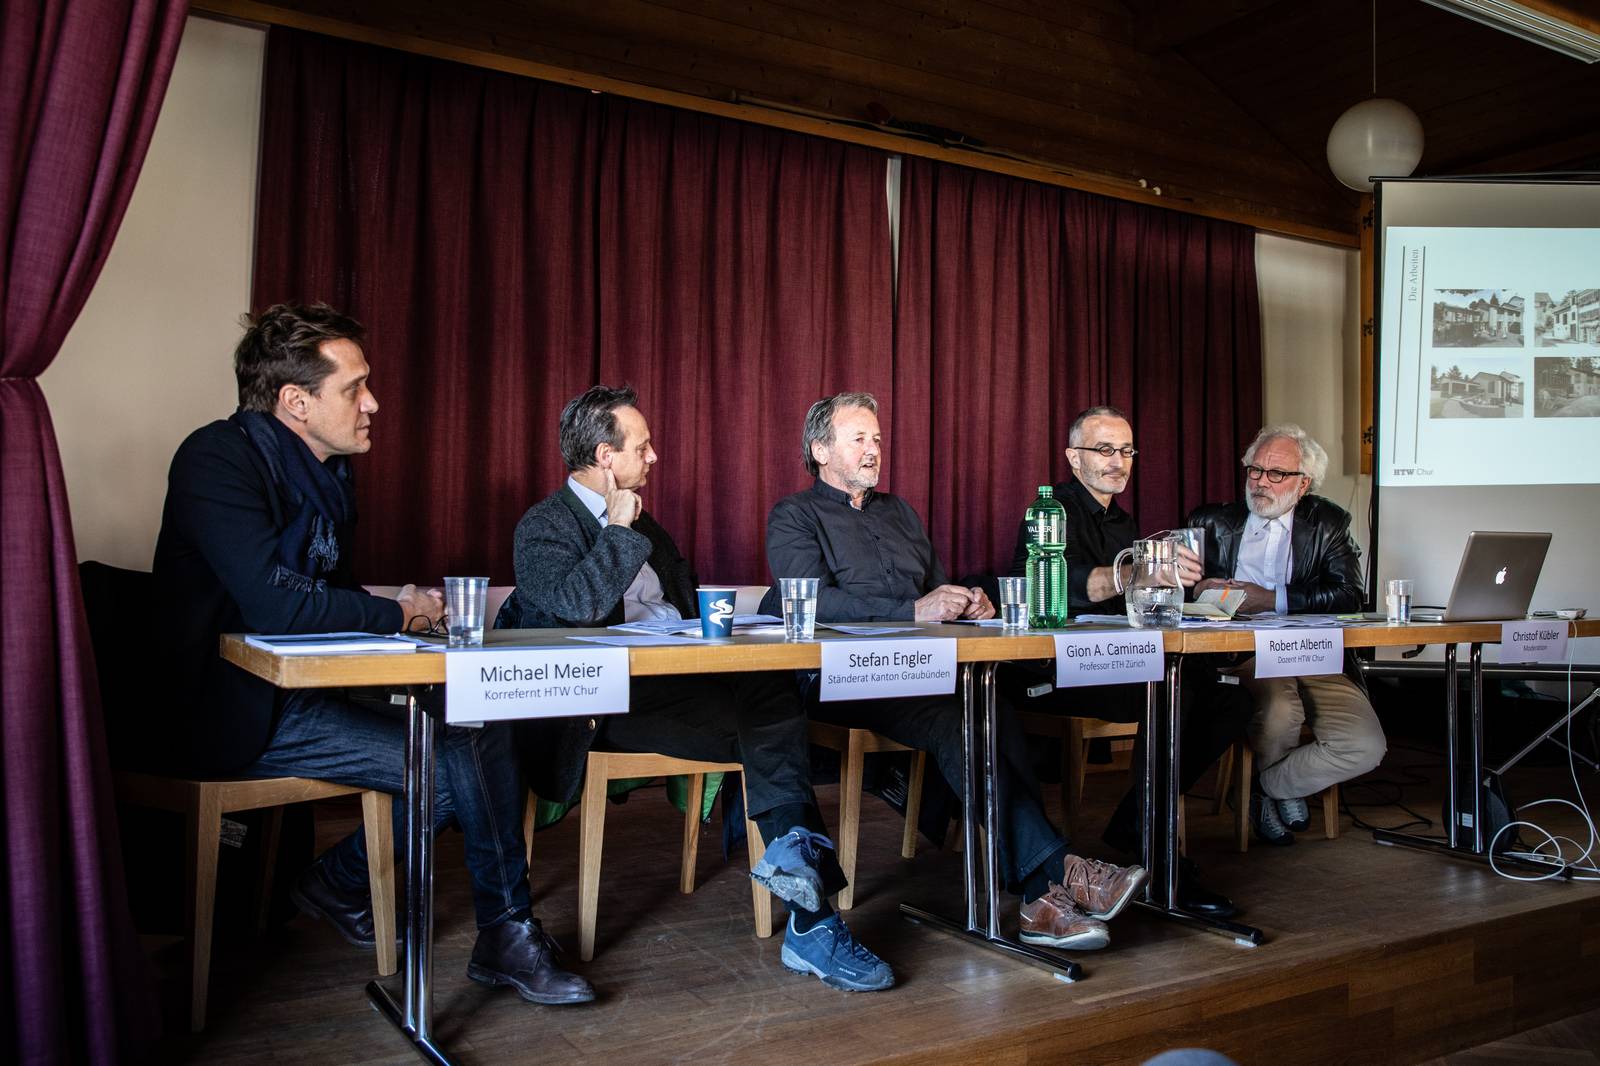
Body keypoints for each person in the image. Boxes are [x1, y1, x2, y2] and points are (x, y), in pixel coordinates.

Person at [152, 303, 593, 1005]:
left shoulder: (327, 474)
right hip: (232, 706)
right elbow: (279, 603)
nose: (374, 403)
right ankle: (376, 892)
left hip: (304, 691)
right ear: (295, 401)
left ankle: (486, 927)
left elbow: (319, 591)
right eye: (355, 387)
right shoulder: (217, 457)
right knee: (451, 772)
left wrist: (404, 622)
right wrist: (395, 612)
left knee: (481, 720)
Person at [497, 385, 893, 992]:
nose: (654, 457)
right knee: (770, 723)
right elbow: (577, 608)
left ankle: (797, 876)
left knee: (772, 691)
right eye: (643, 445)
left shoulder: (646, 523)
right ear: (605, 455)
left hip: (683, 681)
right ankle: (814, 923)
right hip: (604, 704)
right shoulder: (545, 526)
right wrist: (619, 534)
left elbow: (682, 607)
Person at [761, 392, 1148, 952]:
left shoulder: (899, 511)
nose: (874, 451)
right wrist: (913, 612)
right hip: (845, 677)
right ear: (821, 450)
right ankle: (1055, 876)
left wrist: (966, 600)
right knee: (957, 716)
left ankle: (1044, 897)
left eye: (876, 439)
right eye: (858, 439)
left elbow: (931, 589)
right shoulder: (794, 514)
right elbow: (807, 599)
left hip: (923, 668)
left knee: (989, 704)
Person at [1002, 405, 1252, 917]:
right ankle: (1156, 848)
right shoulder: (1048, 512)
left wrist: (1186, 592)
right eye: (1104, 449)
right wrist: (1132, 571)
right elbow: (1060, 586)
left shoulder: (1123, 520)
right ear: (1074, 457)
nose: (1118, 461)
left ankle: (1139, 821)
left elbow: (1130, 602)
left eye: (1126, 450)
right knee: (1177, 691)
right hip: (1058, 669)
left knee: (1228, 694)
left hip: (1121, 659)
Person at [1187, 424, 1385, 845]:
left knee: (1365, 745)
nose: (1261, 482)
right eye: (1255, 470)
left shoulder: (1327, 522)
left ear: (1303, 483)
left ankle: (1268, 787)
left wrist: (1271, 598)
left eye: (1277, 474)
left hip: (1313, 653)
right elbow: (1174, 589)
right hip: (1244, 652)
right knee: (1281, 713)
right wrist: (1196, 588)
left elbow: (1351, 594)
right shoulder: (1212, 521)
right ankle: (1273, 789)